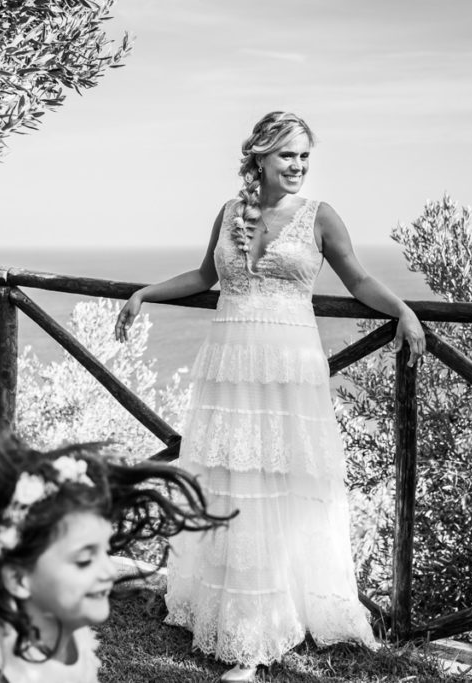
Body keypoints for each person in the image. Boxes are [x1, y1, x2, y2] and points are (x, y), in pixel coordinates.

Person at [114, 111, 425, 681]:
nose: (299, 166)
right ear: (259, 155)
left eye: (306, 156)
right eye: (288, 155)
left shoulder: (320, 216)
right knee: (229, 479)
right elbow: (205, 276)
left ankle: (258, 636)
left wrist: (404, 311)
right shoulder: (230, 212)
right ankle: (219, 606)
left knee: (276, 486)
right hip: (230, 365)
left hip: (287, 370)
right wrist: (144, 293)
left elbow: (357, 280)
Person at [0, 387, 234, 683]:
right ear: (18, 578)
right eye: (84, 558)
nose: (108, 571)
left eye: (104, 551)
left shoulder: (68, 629)